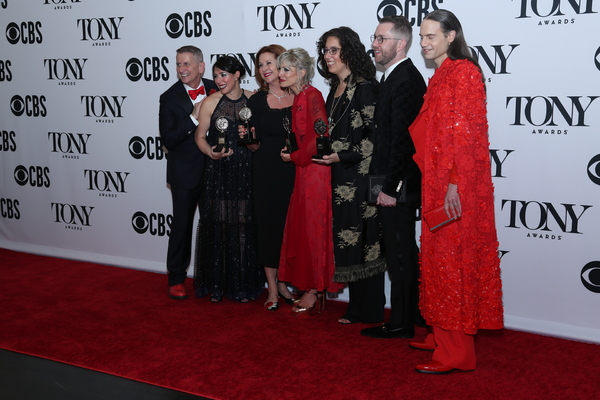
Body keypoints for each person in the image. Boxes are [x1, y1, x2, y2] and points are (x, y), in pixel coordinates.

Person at [408, 9, 503, 374]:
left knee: (451, 263)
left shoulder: (464, 73)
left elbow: (466, 138)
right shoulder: (441, 74)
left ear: (451, 36)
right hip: (436, 181)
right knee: (436, 260)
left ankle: (456, 351)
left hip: (454, 184)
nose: (425, 43)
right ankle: (440, 332)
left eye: (431, 36)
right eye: (421, 37)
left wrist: (453, 184)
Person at [360, 16, 427, 339]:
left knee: (400, 253)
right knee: (400, 252)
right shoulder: (393, 77)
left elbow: (405, 141)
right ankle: (411, 315)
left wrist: (390, 188)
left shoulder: (406, 80)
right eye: (374, 37)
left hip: (397, 185)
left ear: (401, 44)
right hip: (391, 181)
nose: (374, 44)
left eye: (381, 39)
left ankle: (401, 322)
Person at [313, 27, 386, 324]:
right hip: (340, 176)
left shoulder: (365, 86)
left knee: (366, 240)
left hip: (362, 177)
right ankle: (357, 307)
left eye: (333, 50)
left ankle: (369, 308)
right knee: (348, 241)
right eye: (325, 51)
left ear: (349, 52)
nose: (327, 56)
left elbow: (374, 136)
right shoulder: (336, 87)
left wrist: (343, 155)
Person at [278, 48, 344, 315]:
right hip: (305, 171)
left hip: (315, 172)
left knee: (313, 230)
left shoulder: (312, 95)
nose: (280, 74)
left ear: (302, 72)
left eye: (286, 69)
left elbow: (319, 138)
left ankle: (314, 290)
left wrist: (292, 156)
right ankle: (310, 288)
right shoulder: (301, 97)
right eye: (280, 69)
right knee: (304, 229)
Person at [193, 56, 264, 303]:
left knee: (245, 226)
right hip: (219, 172)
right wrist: (209, 152)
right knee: (218, 225)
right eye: (216, 75)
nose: (220, 80)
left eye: (224, 74)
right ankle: (217, 285)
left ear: (237, 75)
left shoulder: (254, 99)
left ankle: (243, 285)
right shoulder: (210, 102)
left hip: (247, 171)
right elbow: (200, 136)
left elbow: (261, 135)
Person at [158, 45, 217, 300]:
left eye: (186, 64)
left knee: (213, 227)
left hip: (215, 169)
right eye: (178, 64)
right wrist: (193, 118)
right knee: (181, 226)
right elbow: (168, 140)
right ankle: (176, 278)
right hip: (184, 173)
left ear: (200, 67)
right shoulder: (169, 97)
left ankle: (213, 277)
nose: (181, 69)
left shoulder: (217, 87)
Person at [243, 44, 297, 310]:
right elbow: (254, 145)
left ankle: (286, 282)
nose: (264, 69)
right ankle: (273, 289)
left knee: (289, 228)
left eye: (269, 63)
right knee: (268, 228)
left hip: (294, 171)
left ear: (283, 64)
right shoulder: (254, 101)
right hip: (265, 172)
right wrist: (247, 141)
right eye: (260, 64)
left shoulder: (299, 96)